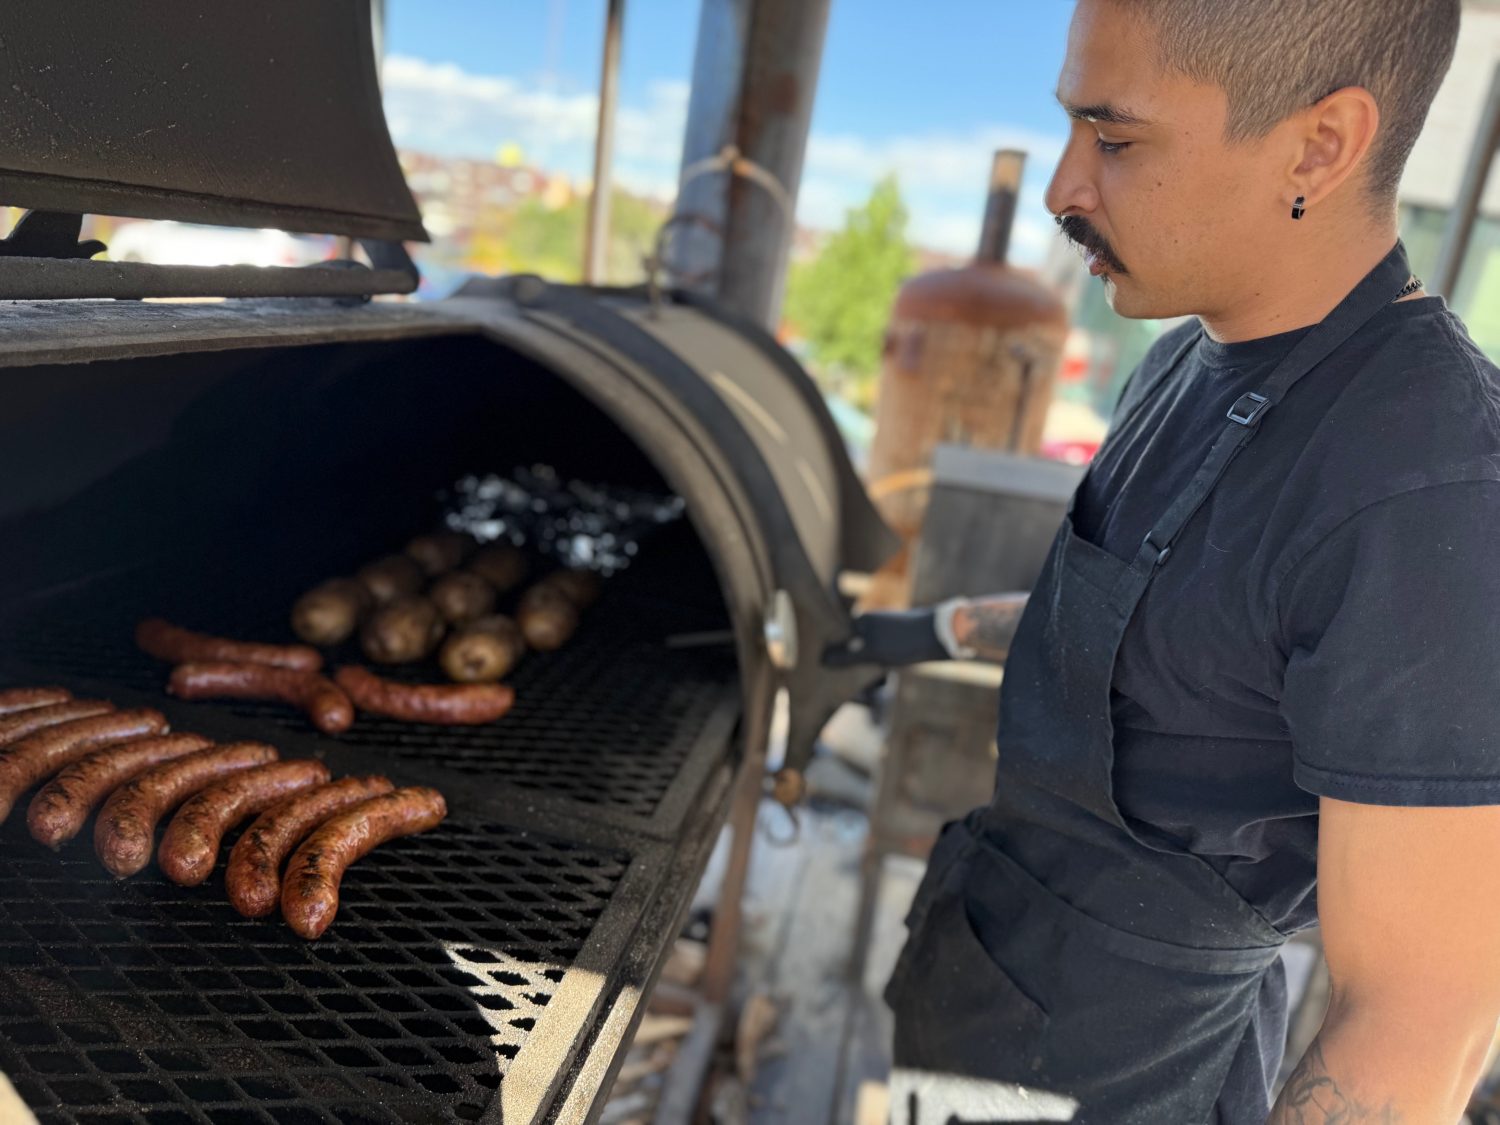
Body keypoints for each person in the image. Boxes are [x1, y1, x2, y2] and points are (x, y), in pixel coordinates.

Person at [825, 1, 1500, 1121]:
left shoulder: (1432, 487)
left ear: (1319, 145)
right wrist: (925, 631)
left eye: (1116, 139)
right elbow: (1153, 639)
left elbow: (1423, 1013)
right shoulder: (1189, 355)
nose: (1062, 189)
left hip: (1136, 1078)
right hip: (994, 989)